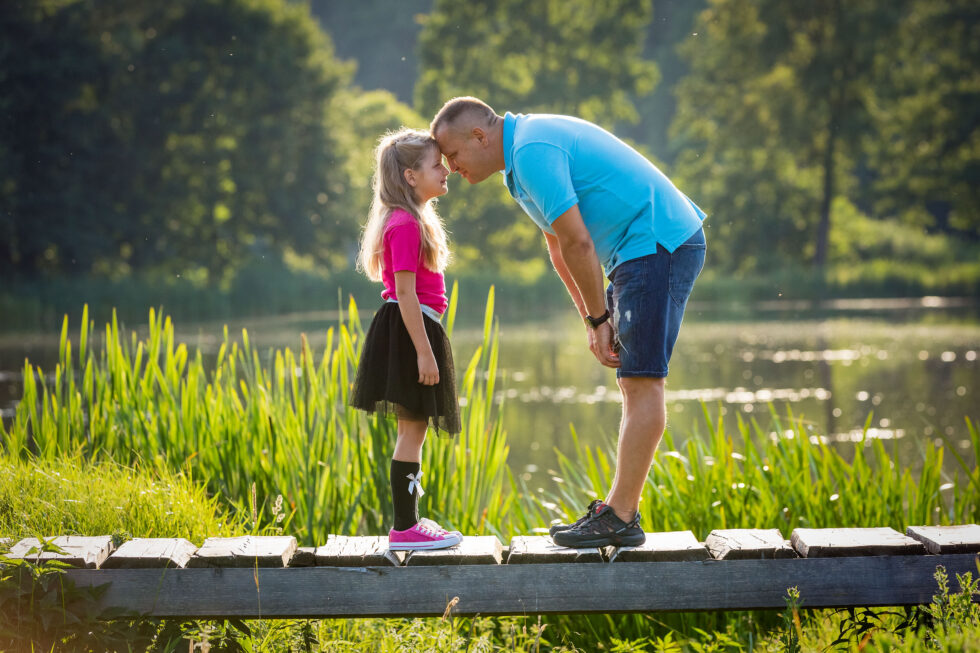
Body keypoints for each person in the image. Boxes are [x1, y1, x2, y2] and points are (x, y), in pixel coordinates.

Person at [431, 97, 706, 548]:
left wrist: (600, 315)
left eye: (454, 155)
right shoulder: (518, 167)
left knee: (642, 381)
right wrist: (591, 319)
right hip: (637, 249)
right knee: (632, 380)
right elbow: (559, 248)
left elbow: (580, 243)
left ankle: (620, 516)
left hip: (657, 240)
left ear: (479, 137)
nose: (452, 167)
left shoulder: (532, 151)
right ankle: (619, 512)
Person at [349, 127, 463, 551]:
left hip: (415, 325)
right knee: (412, 431)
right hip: (410, 329)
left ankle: (409, 522)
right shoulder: (404, 225)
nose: (446, 169)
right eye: (437, 165)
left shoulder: (413, 219)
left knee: (412, 429)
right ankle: (404, 530)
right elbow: (406, 293)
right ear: (411, 176)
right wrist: (425, 353)